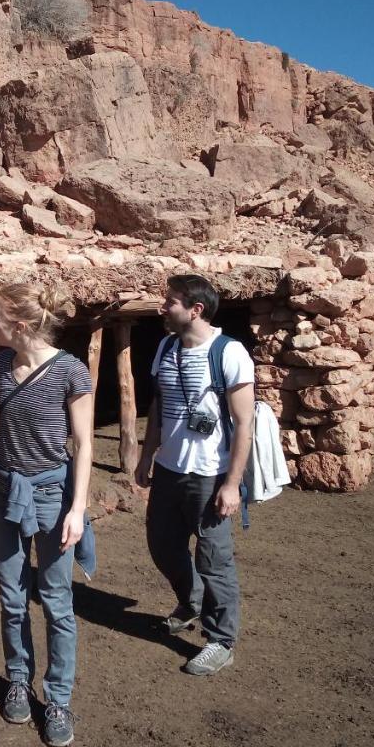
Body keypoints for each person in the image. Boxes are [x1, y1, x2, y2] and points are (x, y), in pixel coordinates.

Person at [0, 282, 94, 747]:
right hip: (4, 489)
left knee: (57, 601)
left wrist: (77, 510)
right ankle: (17, 679)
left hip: (50, 495)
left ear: (19, 325)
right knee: (11, 596)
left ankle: (57, 698)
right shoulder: (1, 363)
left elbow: (82, 446)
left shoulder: (70, 372)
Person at [135, 273, 254, 676]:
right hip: (169, 470)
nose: (162, 307)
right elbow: (158, 407)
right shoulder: (166, 347)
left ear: (195, 310)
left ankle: (221, 640)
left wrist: (232, 484)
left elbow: (244, 423)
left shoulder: (229, 352)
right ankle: (191, 601)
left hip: (209, 474)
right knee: (162, 545)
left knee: (213, 558)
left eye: (170, 301)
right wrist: (145, 456)